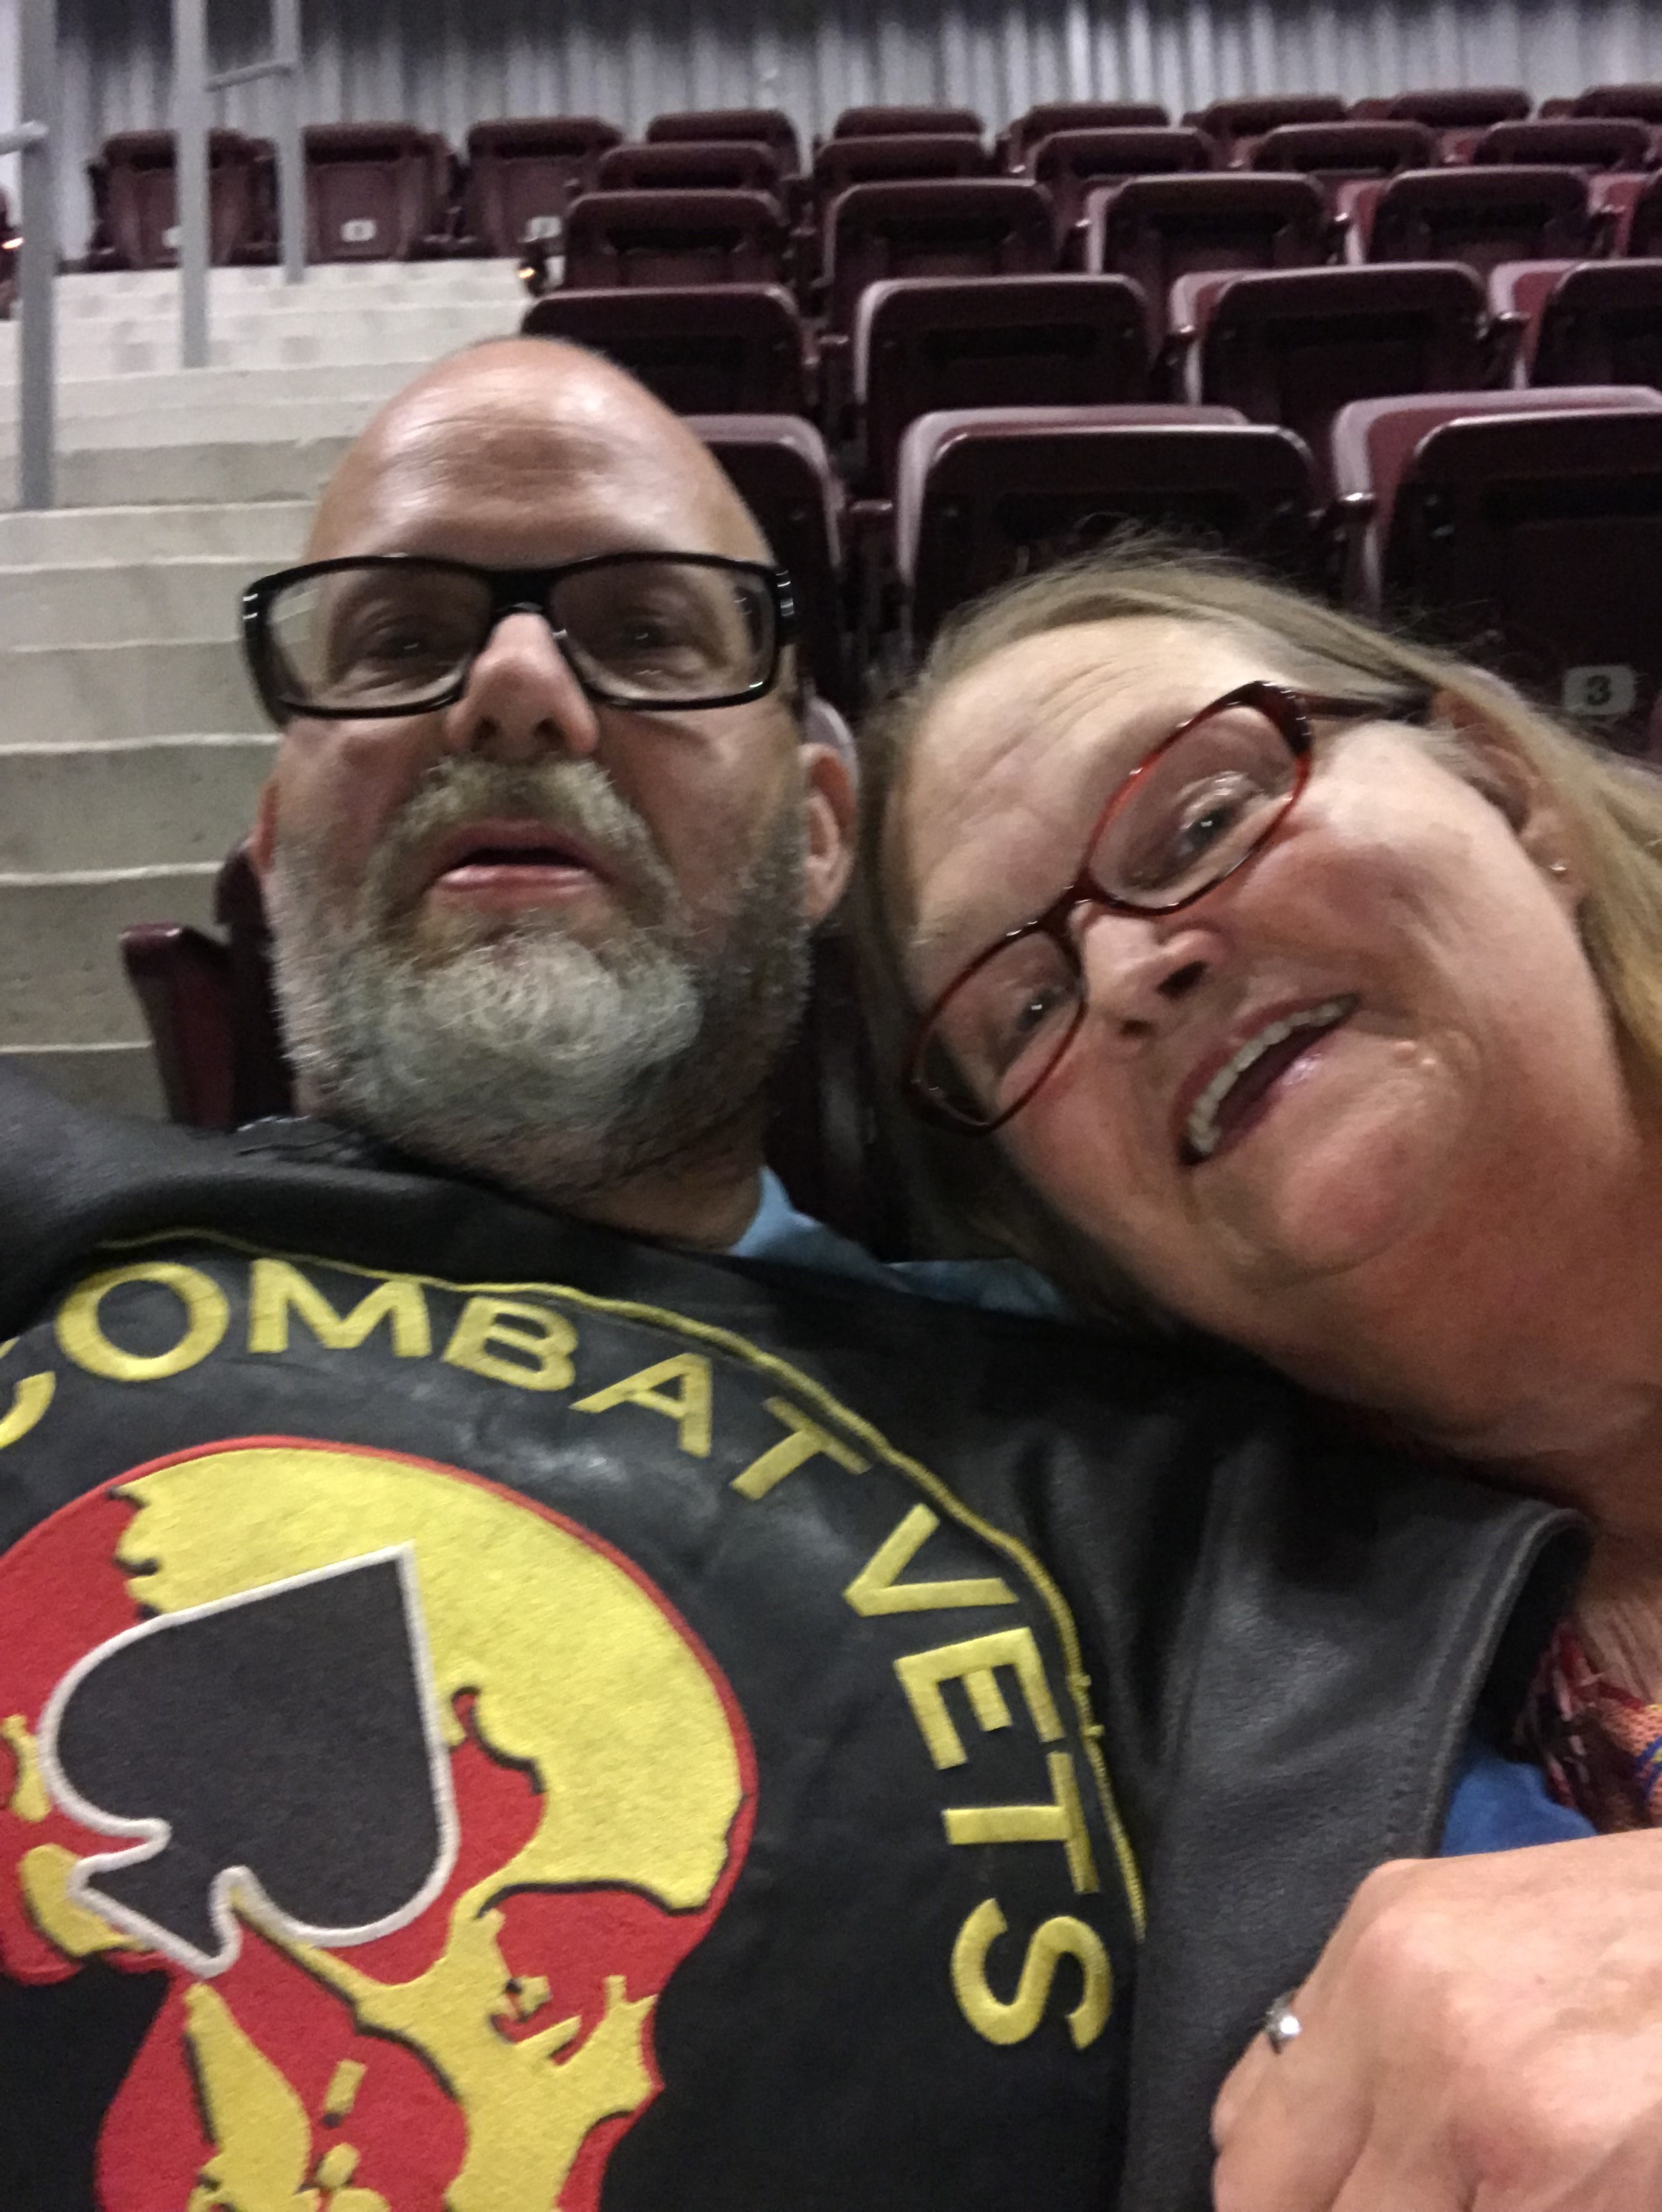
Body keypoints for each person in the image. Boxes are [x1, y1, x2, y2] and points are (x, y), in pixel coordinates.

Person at [0, 340, 1491, 2212]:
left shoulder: (1184, 1463)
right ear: (282, 832)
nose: (517, 689)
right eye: (397, 642)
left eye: (646, 631)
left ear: (816, 832)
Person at [868, 538, 1662, 2212]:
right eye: (1018, 1010)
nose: (1125, 971)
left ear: (1504, 786)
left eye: (1203, 816)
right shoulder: (1125, 1679)